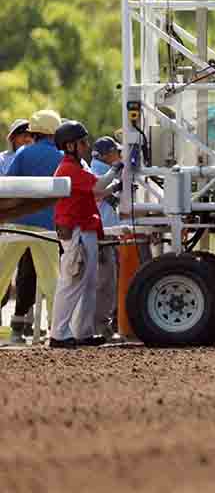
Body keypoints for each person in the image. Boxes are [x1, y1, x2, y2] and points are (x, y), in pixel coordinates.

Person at [50, 120, 117, 348]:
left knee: (87, 283)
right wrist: (118, 167)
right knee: (72, 282)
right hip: (76, 232)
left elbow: (96, 192)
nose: (87, 145)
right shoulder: (69, 168)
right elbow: (98, 187)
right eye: (82, 142)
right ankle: (58, 334)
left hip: (85, 229)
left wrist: (114, 186)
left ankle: (83, 332)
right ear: (69, 146)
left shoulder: (80, 166)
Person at [0, 110, 64, 342]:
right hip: (47, 227)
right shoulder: (61, 156)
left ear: (34, 132)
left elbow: (7, 184)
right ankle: (58, 331)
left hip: (15, 224)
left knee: (1, 275)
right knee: (52, 281)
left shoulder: (24, 153)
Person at [2, 117, 36, 332]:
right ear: (13, 139)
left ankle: (20, 318)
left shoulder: (31, 159)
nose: (26, 140)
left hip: (28, 220)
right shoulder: (2, 159)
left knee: (28, 272)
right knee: (2, 272)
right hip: (5, 221)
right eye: (23, 136)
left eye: (30, 136)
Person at [90, 137, 124, 339]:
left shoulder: (101, 170)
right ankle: (98, 327)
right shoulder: (100, 171)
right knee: (104, 284)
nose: (118, 156)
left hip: (105, 234)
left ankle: (101, 325)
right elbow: (99, 193)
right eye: (115, 152)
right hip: (101, 235)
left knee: (106, 282)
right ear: (104, 155)